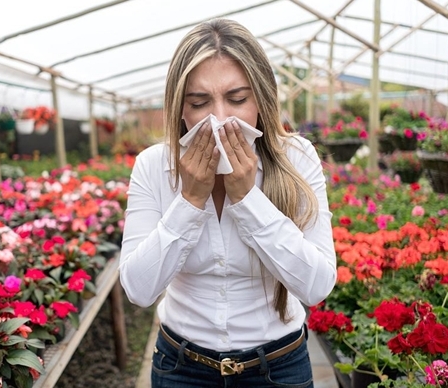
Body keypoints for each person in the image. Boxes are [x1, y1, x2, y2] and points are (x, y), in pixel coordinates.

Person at [119, 18, 336, 388]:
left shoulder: (296, 157)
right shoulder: (155, 166)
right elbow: (139, 289)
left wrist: (248, 198)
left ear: (261, 101)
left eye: (237, 99)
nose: (219, 119)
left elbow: (317, 285)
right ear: (181, 110)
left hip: (278, 368)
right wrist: (190, 200)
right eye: (200, 102)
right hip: (180, 368)